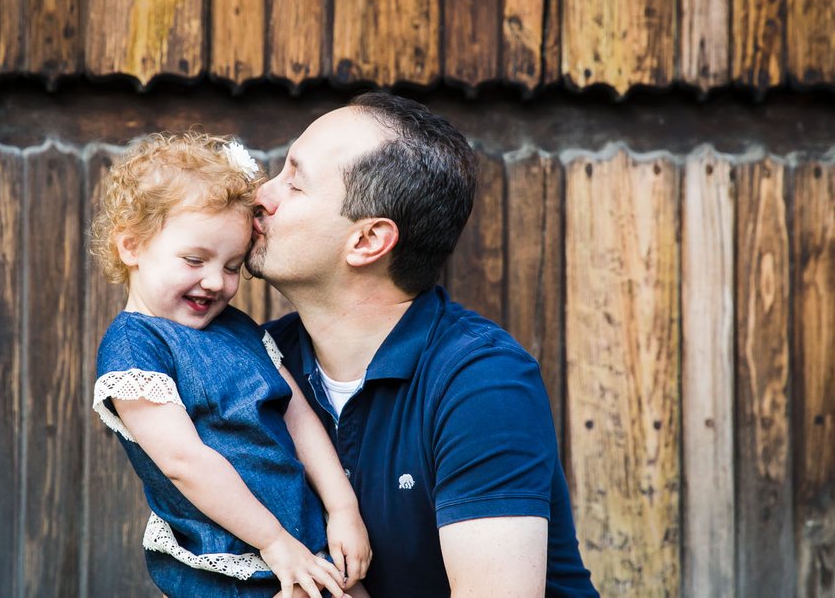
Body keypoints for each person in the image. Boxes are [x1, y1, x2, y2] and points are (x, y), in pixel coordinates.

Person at [247, 92, 598, 597]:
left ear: (368, 241)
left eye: (294, 183)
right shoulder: (255, 364)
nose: (262, 193)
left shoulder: (482, 385)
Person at [89, 132, 371, 598]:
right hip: (230, 557)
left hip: (301, 531)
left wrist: (343, 508)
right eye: (194, 259)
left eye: (233, 266)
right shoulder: (134, 349)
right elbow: (185, 463)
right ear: (132, 247)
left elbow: (297, 416)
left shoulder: (238, 328)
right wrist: (273, 541)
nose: (215, 282)